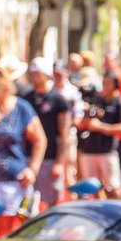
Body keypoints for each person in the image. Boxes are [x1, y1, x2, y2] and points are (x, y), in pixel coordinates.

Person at [0, 59, 44, 234]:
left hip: (13, 180)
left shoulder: (21, 108)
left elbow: (40, 139)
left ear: (5, 86)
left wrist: (32, 170)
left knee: (8, 229)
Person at [24, 59, 78, 210]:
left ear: (47, 75)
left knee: (51, 200)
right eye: (33, 74)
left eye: (38, 74)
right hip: (29, 157)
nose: (35, 78)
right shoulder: (26, 99)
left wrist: (59, 163)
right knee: (28, 200)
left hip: (51, 158)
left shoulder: (59, 100)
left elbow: (64, 134)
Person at [75, 71, 121, 194]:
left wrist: (100, 127)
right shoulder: (96, 101)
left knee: (113, 187)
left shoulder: (119, 103)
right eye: (104, 83)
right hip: (89, 149)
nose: (106, 86)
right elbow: (81, 124)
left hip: (107, 151)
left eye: (109, 83)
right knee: (92, 188)